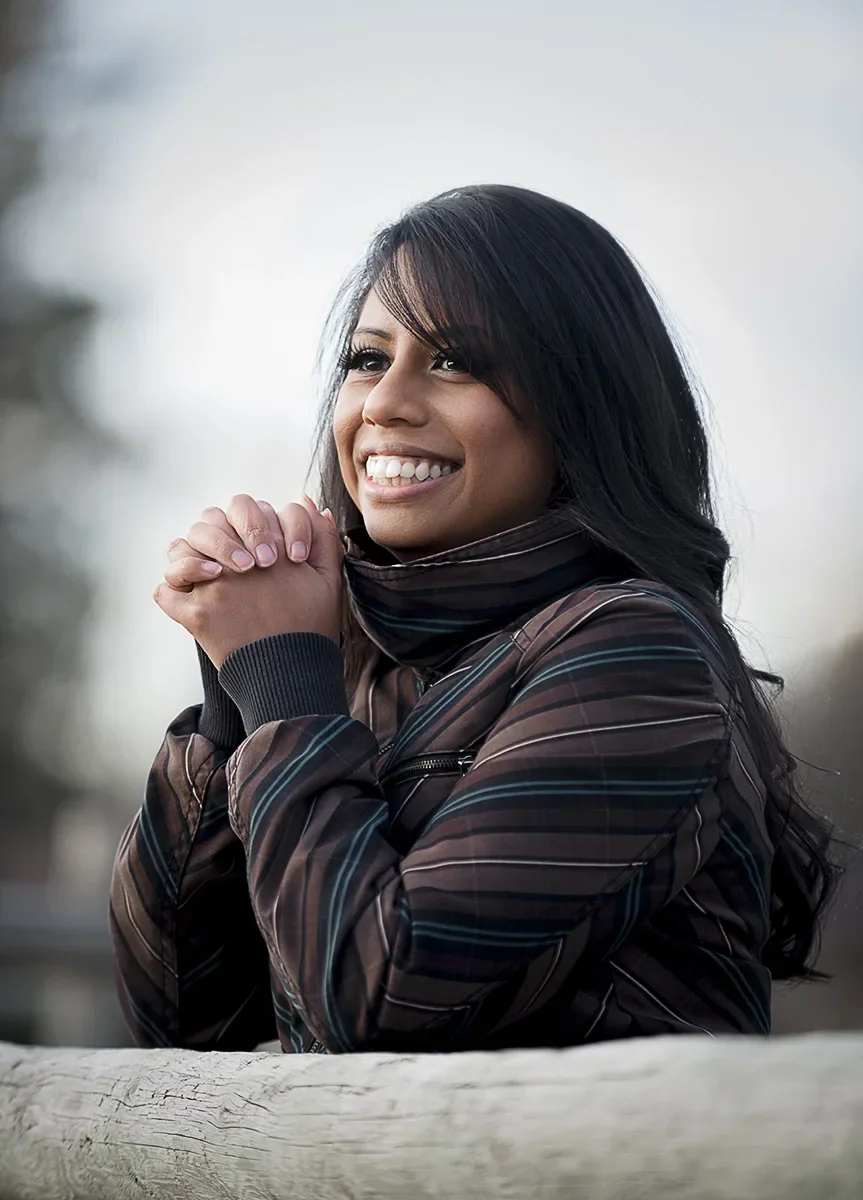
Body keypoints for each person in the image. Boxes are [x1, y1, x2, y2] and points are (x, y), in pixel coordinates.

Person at [109, 184, 840, 1054]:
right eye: (368, 358)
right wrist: (238, 698)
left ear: (581, 407)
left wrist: (284, 688)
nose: (384, 402)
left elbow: (379, 999)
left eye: (455, 361)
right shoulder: (360, 672)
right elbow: (186, 1023)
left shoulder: (639, 653)